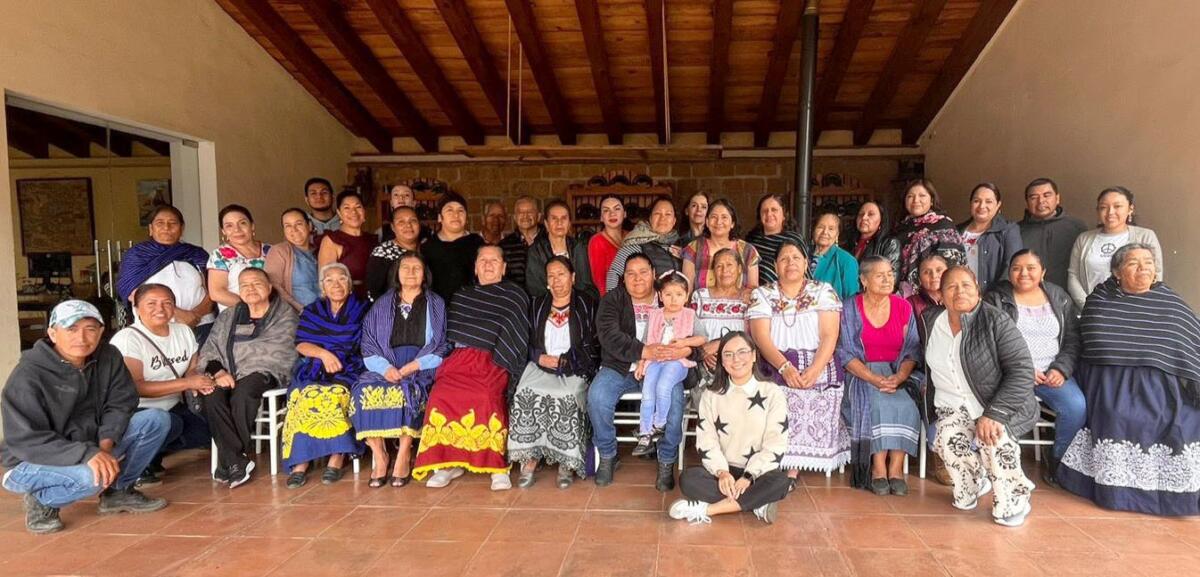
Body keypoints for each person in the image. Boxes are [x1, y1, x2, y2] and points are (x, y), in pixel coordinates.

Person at [1, 300, 170, 534]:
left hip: (88, 443)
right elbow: (27, 439)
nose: (81, 337)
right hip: (29, 459)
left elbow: (121, 401)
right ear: (52, 333)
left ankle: (117, 493)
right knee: (94, 477)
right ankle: (43, 500)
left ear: (101, 331)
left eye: (90, 329)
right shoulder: (28, 376)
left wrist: (105, 444)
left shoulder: (107, 356)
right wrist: (88, 454)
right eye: (71, 329)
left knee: (155, 420)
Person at [1057, 244, 1200, 516]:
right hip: (1113, 381)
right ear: (1117, 272)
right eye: (1134, 263)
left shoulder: (1170, 303)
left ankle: (1174, 495)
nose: (1143, 268)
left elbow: (1191, 343)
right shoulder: (1101, 301)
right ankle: (1120, 493)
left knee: (1182, 420)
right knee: (1120, 415)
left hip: (1164, 384)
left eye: (1148, 262)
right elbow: (1100, 343)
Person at [919, 266, 1038, 527]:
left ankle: (1015, 498)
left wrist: (995, 414)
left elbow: (1021, 371)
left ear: (978, 290)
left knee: (993, 442)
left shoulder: (996, 320)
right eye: (951, 287)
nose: (959, 291)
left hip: (994, 404)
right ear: (940, 294)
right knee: (948, 439)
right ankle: (973, 484)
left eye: (966, 285)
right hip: (952, 406)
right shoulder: (930, 321)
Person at [413, 246, 530, 491]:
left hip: (494, 359)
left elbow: (517, 335)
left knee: (486, 396)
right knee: (440, 396)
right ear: (475, 268)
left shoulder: (514, 295)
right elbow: (450, 335)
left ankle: (497, 467)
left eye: (494, 260)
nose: (488, 265)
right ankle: (445, 464)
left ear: (504, 267)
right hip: (458, 359)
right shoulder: (462, 296)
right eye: (483, 261)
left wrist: (496, 356)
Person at [748, 240, 848, 487]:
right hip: (776, 362)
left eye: (796, 257)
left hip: (817, 362)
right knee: (775, 393)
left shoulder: (823, 291)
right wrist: (784, 367)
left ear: (805, 263)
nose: (790, 262)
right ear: (775, 266)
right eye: (784, 258)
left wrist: (815, 369)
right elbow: (761, 337)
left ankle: (792, 468)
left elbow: (829, 335)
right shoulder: (762, 294)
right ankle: (772, 461)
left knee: (811, 388)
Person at [590, 254, 692, 491]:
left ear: (654, 274)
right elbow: (608, 336)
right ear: (623, 278)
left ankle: (666, 459)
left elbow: (692, 336)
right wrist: (644, 351)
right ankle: (607, 454)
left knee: (676, 402)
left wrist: (686, 350)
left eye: (643, 272)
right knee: (597, 397)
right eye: (630, 273)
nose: (637, 279)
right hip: (620, 367)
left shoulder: (669, 297)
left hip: (664, 369)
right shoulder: (613, 300)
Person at [667, 332, 790, 526]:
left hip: (757, 473)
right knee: (688, 479)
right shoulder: (711, 395)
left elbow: (776, 443)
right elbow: (707, 440)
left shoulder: (772, 393)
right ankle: (757, 504)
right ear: (721, 361)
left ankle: (707, 509)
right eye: (728, 354)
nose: (736, 359)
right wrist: (722, 473)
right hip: (723, 472)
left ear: (754, 355)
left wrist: (748, 477)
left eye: (742, 352)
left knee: (781, 482)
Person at [984, 249, 1084, 486]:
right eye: (1017, 268)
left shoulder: (1059, 297)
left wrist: (1061, 369)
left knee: (1076, 407)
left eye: (1031, 268)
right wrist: (1022, 371)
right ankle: (1006, 465)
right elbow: (990, 341)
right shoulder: (996, 298)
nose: (1024, 273)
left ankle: (1058, 461)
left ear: (1043, 272)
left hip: (1052, 373)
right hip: (1012, 373)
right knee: (1010, 411)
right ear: (1009, 272)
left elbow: (1072, 338)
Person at [352, 252, 449, 488]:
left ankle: (404, 453)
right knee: (362, 391)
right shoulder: (382, 304)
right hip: (385, 365)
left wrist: (416, 365)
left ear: (425, 274)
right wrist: (386, 369)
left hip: (420, 364)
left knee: (410, 391)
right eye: (405, 267)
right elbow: (368, 343)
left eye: (417, 268)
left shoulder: (436, 303)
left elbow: (442, 344)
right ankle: (379, 454)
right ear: (396, 272)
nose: (411, 272)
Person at [198, 268, 299, 488]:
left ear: (269, 287)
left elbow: (278, 351)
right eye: (244, 285)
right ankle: (237, 461)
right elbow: (211, 349)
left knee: (243, 393)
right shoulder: (229, 315)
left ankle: (229, 462)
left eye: (256, 284)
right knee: (211, 393)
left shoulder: (283, 314)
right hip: (226, 373)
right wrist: (219, 372)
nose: (250, 289)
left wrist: (240, 373)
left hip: (266, 372)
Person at [508, 256, 600, 489]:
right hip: (541, 364)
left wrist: (567, 360)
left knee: (568, 396)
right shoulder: (537, 304)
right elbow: (523, 339)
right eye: (551, 275)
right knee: (526, 392)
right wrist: (539, 356)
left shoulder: (588, 304)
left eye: (561, 274)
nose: (556, 280)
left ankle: (565, 462)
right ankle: (530, 458)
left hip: (574, 366)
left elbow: (593, 342)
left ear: (573, 277)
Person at [109, 284, 213, 487]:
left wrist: (197, 381)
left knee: (203, 432)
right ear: (137, 309)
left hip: (172, 404)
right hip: (136, 409)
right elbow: (136, 387)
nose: (160, 308)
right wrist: (186, 383)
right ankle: (138, 463)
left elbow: (191, 367)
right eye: (151, 303)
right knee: (169, 423)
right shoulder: (128, 339)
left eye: (167, 303)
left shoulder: (182, 331)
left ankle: (152, 453)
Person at [837, 256, 922, 495]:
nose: (887, 279)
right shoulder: (850, 308)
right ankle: (877, 468)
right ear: (864, 280)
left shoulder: (903, 306)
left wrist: (900, 377)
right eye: (879, 274)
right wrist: (873, 378)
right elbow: (844, 351)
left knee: (907, 405)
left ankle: (895, 469)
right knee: (873, 402)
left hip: (897, 373)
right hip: (861, 373)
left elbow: (912, 349)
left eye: (890, 273)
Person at [281, 264, 368, 489]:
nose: (336, 284)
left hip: (350, 368)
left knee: (334, 395)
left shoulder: (362, 308)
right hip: (315, 367)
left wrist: (338, 359)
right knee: (303, 395)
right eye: (329, 280)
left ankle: (337, 456)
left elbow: (366, 344)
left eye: (342, 279)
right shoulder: (313, 310)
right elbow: (301, 344)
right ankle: (301, 462)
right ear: (322, 287)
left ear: (350, 285)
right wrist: (323, 354)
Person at [633, 273, 707, 457]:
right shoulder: (655, 315)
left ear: (687, 296)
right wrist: (641, 363)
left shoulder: (689, 315)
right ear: (660, 295)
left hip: (677, 362)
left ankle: (658, 424)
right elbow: (645, 342)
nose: (673, 299)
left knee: (663, 386)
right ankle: (644, 431)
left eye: (679, 294)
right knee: (648, 391)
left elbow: (703, 338)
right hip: (655, 360)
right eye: (668, 294)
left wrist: (684, 342)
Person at [117, 205, 214, 340]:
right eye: (160, 223)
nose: (166, 228)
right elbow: (130, 291)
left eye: (173, 223)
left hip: (202, 325)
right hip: (156, 327)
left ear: (182, 228)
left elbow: (213, 289)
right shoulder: (137, 255)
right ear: (151, 229)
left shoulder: (197, 254)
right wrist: (177, 314)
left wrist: (195, 316)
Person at [1067, 186, 1163, 308]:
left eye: (1117, 206)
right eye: (1103, 207)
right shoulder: (1084, 238)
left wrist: (1137, 306)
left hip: (1135, 309)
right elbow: (1073, 275)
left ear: (1130, 209)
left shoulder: (1145, 236)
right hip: (1092, 309)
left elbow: (1156, 274)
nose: (1110, 212)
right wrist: (1089, 306)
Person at [906, 252, 952, 485]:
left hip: (958, 369)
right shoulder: (912, 304)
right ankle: (941, 455)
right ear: (919, 277)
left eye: (939, 270)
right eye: (927, 271)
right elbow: (910, 345)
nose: (934, 276)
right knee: (931, 390)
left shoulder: (959, 298)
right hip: (923, 369)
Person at [893, 179, 965, 296]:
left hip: (935, 295)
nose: (916, 200)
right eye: (910, 196)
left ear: (931, 200)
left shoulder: (943, 225)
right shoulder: (901, 228)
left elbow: (952, 264)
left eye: (922, 195)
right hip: (903, 295)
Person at [1018, 178, 1087, 289]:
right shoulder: (1016, 230)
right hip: (1029, 295)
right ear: (1027, 202)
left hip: (1069, 295)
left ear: (1057, 198)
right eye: (1034, 197)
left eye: (1047, 195)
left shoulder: (1077, 227)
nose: (1041, 201)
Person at [693, 248, 750, 378]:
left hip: (740, 366)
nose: (725, 271)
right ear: (713, 271)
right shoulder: (700, 296)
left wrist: (721, 344)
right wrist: (704, 352)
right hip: (705, 368)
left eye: (730, 265)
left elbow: (755, 335)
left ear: (740, 269)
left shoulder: (750, 299)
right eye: (719, 266)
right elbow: (690, 331)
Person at [605, 196, 682, 292]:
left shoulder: (681, 245)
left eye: (668, 214)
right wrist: (612, 303)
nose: (663, 218)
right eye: (657, 213)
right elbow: (614, 273)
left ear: (674, 221)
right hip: (646, 304)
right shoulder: (637, 242)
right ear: (650, 218)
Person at [681, 199, 760, 291]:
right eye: (714, 217)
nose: (718, 222)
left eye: (724, 217)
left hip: (739, 305)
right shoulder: (693, 249)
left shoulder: (748, 251)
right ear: (707, 221)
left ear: (732, 223)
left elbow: (753, 290)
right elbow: (687, 289)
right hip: (699, 304)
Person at [957, 183, 1022, 293]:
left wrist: (994, 298)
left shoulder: (1008, 230)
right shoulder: (957, 231)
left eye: (989, 201)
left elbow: (1012, 266)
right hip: (960, 296)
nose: (982, 206)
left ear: (998, 205)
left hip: (993, 299)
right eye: (976, 201)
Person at [526, 199, 595, 299]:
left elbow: (585, 284)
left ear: (569, 223)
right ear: (546, 224)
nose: (559, 223)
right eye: (554, 218)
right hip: (547, 305)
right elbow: (536, 288)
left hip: (577, 305)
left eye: (564, 218)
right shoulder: (536, 251)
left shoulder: (578, 248)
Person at [207, 204, 271, 311]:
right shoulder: (219, 255)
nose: (237, 229)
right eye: (229, 226)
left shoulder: (271, 251)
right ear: (223, 231)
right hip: (237, 317)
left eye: (242, 223)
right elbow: (216, 293)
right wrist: (252, 307)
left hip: (274, 315)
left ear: (252, 226)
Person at [423, 192, 485, 302]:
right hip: (438, 309)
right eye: (449, 210)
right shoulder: (428, 247)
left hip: (472, 307)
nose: (456, 215)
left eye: (460, 211)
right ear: (439, 217)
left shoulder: (477, 243)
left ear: (466, 217)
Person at [318, 190, 375, 300]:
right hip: (346, 302)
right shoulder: (332, 240)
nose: (353, 212)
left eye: (358, 207)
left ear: (364, 211)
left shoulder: (372, 240)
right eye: (347, 208)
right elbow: (326, 281)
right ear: (339, 213)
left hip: (374, 299)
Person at [264, 208, 320, 311]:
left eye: (298, 224)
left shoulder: (320, 250)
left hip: (326, 314)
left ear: (309, 226)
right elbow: (275, 286)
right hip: (297, 316)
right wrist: (301, 310)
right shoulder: (279, 251)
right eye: (288, 226)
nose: (294, 229)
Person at [746, 193, 805, 285]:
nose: (769, 214)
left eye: (774, 210)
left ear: (784, 215)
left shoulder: (794, 240)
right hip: (760, 295)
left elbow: (804, 271)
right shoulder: (751, 244)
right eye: (765, 211)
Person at [366, 205, 421, 301]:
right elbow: (373, 292)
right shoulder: (383, 252)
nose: (408, 225)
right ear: (393, 227)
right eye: (401, 222)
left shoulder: (427, 248)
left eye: (413, 221)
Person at [810, 212, 860, 300]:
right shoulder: (802, 256)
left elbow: (852, 300)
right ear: (813, 230)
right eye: (820, 227)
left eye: (831, 229)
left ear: (837, 234)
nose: (825, 232)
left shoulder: (846, 261)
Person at [846, 201, 900, 281]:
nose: (864, 218)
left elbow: (891, 278)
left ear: (881, 220)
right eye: (861, 214)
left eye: (870, 214)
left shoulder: (889, 244)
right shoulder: (850, 243)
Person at [499, 195, 542, 288]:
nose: (525, 216)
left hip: (545, 299)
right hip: (515, 298)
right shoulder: (503, 245)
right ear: (514, 217)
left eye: (530, 211)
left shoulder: (549, 241)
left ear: (538, 216)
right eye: (520, 212)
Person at [588, 194, 627, 296]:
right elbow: (600, 281)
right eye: (606, 210)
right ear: (601, 217)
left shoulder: (633, 236)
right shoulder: (597, 241)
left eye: (617, 209)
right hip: (613, 299)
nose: (612, 214)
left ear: (624, 214)